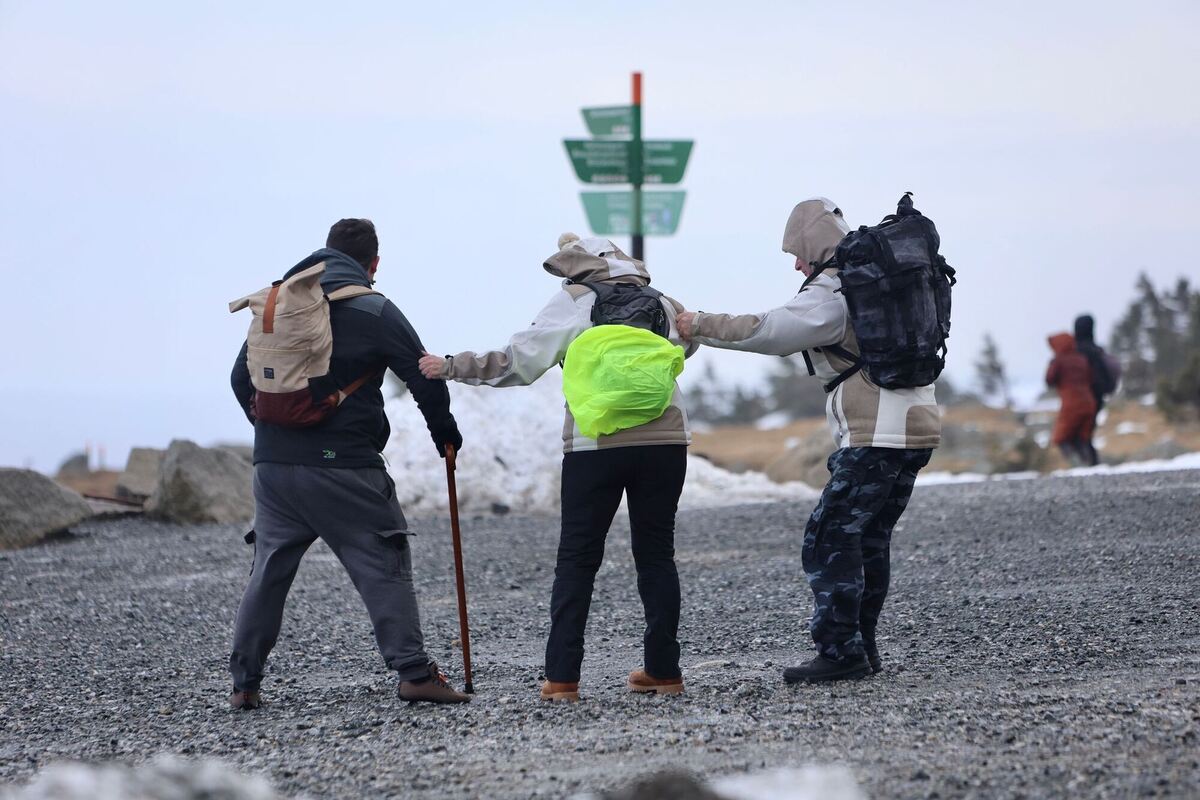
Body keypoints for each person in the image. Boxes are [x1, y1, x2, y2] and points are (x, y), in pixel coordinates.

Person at [418, 233, 696, 702]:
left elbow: (517, 364)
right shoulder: (664, 301)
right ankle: (665, 671)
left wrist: (450, 366)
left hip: (594, 444)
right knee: (656, 554)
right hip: (665, 439)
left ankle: (563, 678)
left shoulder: (573, 300)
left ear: (577, 265)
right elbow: (686, 351)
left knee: (578, 559)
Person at [677, 198, 941, 684]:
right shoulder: (883, 277)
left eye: (797, 253)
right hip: (917, 423)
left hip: (875, 431)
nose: (797, 264)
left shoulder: (836, 287)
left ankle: (841, 652)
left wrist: (698, 324)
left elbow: (769, 331)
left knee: (829, 539)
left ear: (814, 246)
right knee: (868, 539)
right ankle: (862, 647)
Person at [228, 218, 469, 708]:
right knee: (383, 561)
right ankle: (415, 673)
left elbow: (240, 378)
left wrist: (274, 434)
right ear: (373, 265)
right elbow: (423, 377)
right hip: (346, 470)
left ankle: (244, 684)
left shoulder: (280, 306)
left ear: (322, 255)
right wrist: (445, 435)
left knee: (268, 570)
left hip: (272, 469)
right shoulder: (374, 309)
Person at [1045, 331, 1097, 465]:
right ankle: (1088, 463)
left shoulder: (1059, 360)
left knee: (1061, 438)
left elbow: (1049, 379)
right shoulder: (1081, 359)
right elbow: (1090, 378)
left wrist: (1052, 364)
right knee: (1082, 438)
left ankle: (1074, 464)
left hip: (1071, 403)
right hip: (1089, 402)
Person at [1072, 314, 1117, 465]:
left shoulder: (1076, 352)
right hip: (1097, 398)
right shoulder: (1097, 351)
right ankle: (1090, 463)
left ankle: (1086, 463)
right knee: (1086, 433)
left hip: (1079, 398)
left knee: (1079, 434)